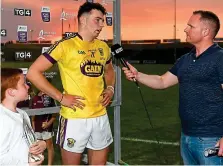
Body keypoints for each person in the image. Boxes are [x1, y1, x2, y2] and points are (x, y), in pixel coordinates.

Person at [122, 10, 223, 165]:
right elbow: (162, 81)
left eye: (191, 26)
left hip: (211, 139)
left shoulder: (219, 58)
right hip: (186, 136)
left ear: (205, 31)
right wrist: (138, 75)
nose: (185, 29)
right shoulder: (185, 60)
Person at [27, 2, 115, 165]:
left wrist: (110, 88)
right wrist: (60, 97)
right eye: (98, 20)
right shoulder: (65, 46)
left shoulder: (104, 47)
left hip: (100, 117)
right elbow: (33, 73)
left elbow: (109, 70)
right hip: (74, 119)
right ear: (83, 19)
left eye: (103, 20)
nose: (102, 24)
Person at [0, 68, 46, 165]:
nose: (28, 86)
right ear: (11, 92)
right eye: (23, 84)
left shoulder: (22, 113)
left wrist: (41, 144)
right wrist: (26, 164)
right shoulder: (3, 119)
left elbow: (26, 139)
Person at [31, 90, 57, 165]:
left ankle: (49, 165)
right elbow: (33, 114)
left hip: (47, 127)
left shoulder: (50, 97)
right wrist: (33, 127)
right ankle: (39, 163)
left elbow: (54, 114)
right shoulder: (35, 98)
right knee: (38, 147)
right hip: (37, 127)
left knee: (49, 146)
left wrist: (48, 124)